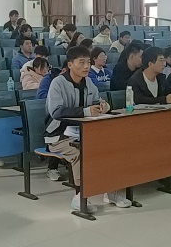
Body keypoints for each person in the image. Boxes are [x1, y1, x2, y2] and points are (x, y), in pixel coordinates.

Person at [45, 46, 129, 212]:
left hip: (85, 132)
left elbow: (97, 101)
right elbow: (56, 112)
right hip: (58, 136)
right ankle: (80, 196)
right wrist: (85, 111)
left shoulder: (89, 82)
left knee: (112, 147)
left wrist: (103, 106)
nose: (86, 66)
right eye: (81, 62)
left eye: (88, 62)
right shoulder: (58, 83)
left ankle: (112, 192)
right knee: (80, 152)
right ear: (70, 64)